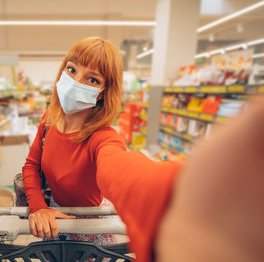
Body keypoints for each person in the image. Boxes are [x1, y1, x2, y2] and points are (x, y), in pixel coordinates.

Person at [22, 36, 264, 262]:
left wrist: (178, 196)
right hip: (52, 224)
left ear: (103, 93)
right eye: (72, 69)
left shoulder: (103, 138)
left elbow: (119, 171)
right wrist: (38, 207)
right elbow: (32, 165)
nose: (75, 81)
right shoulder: (48, 120)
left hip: (89, 235)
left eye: (92, 79)